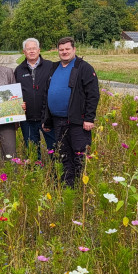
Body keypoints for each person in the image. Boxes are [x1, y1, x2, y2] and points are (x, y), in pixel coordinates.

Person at [42, 37, 100, 187]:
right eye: (61, 50)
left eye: (67, 49)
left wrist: (89, 118)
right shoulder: (54, 68)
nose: (64, 52)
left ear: (74, 50)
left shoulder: (83, 67)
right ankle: (68, 187)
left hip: (77, 122)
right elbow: (47, 94)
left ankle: (82, 187)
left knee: (79, 155)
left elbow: (92, 94)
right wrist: (46, 120)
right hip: (58, 121)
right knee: (64, 156)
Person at [14, 37, 56, 161]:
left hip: (47, 117)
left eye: (34, 48)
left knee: (54, 149)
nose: (31, 51)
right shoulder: (18, 70)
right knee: (32, 152)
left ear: (39, 50)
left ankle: (55, 175)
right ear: (24, 52)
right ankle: (35, 173)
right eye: (28, 49)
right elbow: (14, 94)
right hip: (27, 118)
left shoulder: (50, 66)